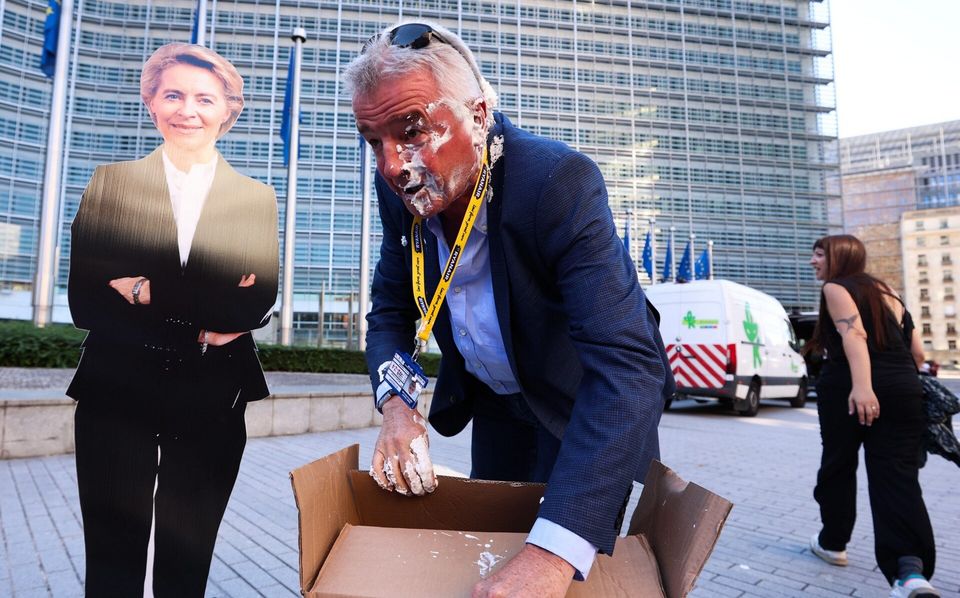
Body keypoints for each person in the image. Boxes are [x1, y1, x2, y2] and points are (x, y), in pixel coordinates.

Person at [346, 21, 673, 597]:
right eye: (374, 141)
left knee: (561, 572)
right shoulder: (399, 191)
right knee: (490, 553)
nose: (393, 165)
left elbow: (628, 369)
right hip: (497, 407)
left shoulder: (557, 182)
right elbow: (390, 310)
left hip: (583, 409)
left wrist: (551, 557)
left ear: (478, 114)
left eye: (412, 129)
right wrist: (396, 403)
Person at [67, 43, 279, 597]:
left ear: (226, 110)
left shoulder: (254, 200)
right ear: (152, 103)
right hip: (116, 389)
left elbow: (255, 305)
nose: (189, 109)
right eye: (174, 94)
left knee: (188, 557)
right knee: (113, 554)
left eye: (205, 98)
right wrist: (203, 313)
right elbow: (86, 302)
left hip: (213, 394)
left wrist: (142, 290)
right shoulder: (110, 184)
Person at [806, 235, 938, 598]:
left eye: (819, 255)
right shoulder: (887, 290)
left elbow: (855, 336)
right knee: (897, 477)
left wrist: (863, 387)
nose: (814, 262)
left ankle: (833, 542)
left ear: (838, 257)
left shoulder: (836, 288)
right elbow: (917, 352)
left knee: (837, 467)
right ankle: (909, 573)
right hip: (903, 388)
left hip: (849, 390)